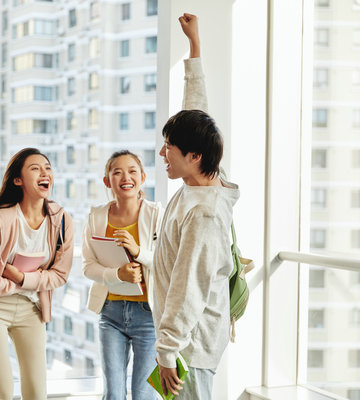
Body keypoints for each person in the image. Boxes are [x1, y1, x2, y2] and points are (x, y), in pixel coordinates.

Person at [151, 13, 240, 399]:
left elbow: (189, 286)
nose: (161, 154)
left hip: (190, 346)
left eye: (168, 148)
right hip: (187, 340)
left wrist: (168, 350)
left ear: (192, 155)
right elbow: (196, 112)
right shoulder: (204, 175)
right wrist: (195, 48)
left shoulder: (203, 212)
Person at [0, 147, 74, 400]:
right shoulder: (2, 220)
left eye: (48, 168)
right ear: (18, 180)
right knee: (2, 392)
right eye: (35, 168)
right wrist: (20, 284)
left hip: (32, 309)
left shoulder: (61, 220)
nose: (44, 172)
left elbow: (60, 275)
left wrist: (22, 279)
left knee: (37, 392)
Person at [81, 150, 163, 400]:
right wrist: (118, 274)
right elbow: (88, 266)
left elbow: (166, 263)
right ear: (107, 181)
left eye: (132, 171)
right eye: (117, 172)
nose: (125, 177)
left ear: (143, 177)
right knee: (113, 394)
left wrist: (138, 252)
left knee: (143, 394)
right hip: (111, 314)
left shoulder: (157, 214)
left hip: (148, 317)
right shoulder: (96, 217)